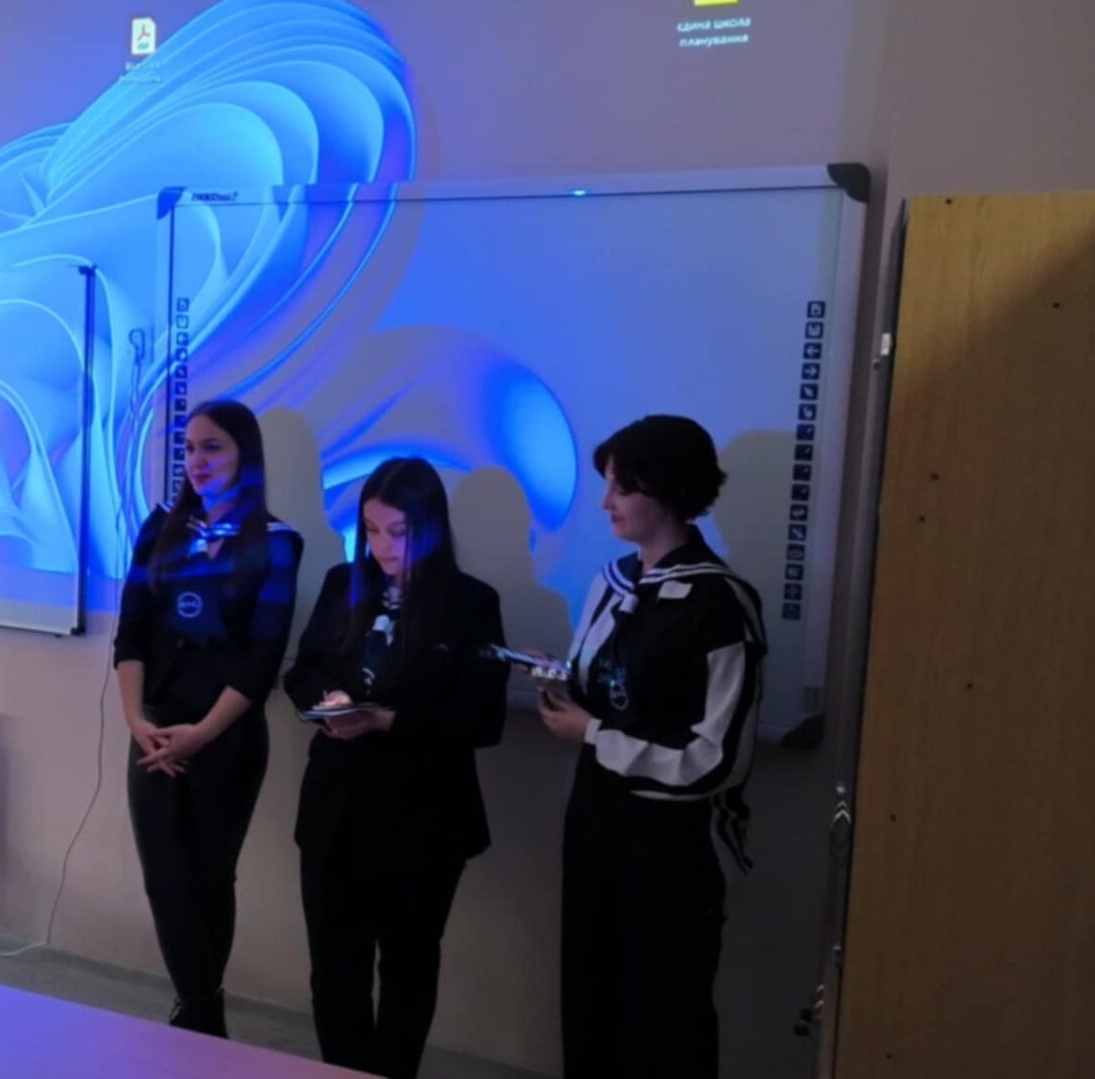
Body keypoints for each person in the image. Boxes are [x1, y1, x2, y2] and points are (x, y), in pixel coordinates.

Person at [534, 415, 766, 1079]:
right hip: (596, 821)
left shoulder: (721, 603)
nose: (605, 503)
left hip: (671, 846)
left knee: (664, 1020)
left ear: (667, 492)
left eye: (621, 488)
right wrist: (556, 683)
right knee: (589, 1000)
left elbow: (717, 758)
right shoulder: (611, 581)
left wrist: (593, 733)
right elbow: (602, 687)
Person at [283, 457, 508, 1079]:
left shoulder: (471, 603)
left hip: (424, 820)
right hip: (336, 812)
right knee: (335, 971)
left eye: (399, 532)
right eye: (372, 530)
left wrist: (388, 720)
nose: (382, 547)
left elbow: (483, 718)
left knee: (408, 969)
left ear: (431, 526)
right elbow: (303, 671)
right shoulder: (342, 584)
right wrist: (327, 702)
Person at [113, 399, 304, 1038]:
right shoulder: (160, 528)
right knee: (165, 880)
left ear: (245, 455)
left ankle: (197, 1016)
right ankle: (203, 1014)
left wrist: (201, 734)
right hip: (155, 733)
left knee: (209, 878)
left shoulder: (276, 542)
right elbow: (131, 633)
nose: (196, 461)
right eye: (190, 449)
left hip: (226, 738)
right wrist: (137, 720)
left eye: (212, 447)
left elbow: (263, 657)